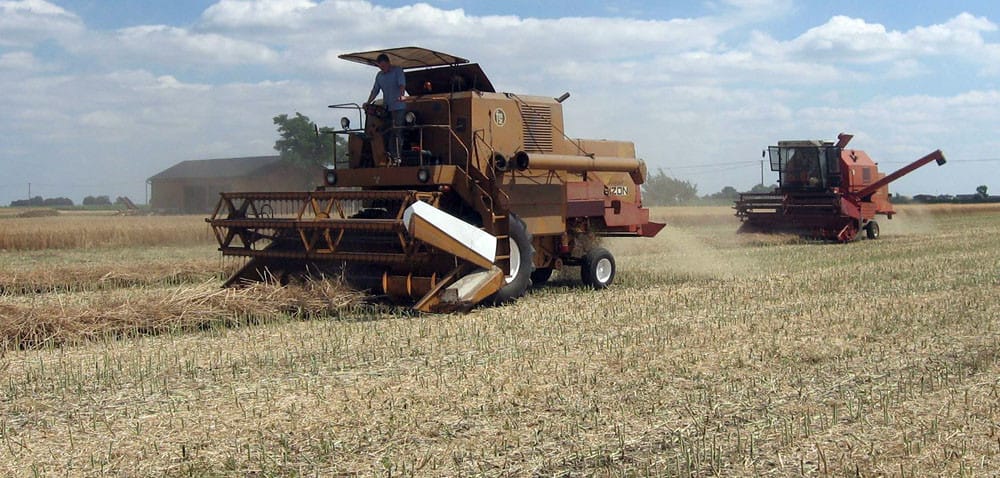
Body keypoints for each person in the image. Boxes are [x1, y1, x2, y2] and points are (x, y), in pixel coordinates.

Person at [365, 53, 406, 162]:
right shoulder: (379, 76)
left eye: (384, 66)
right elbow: (375, 90)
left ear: (388, 63)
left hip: (399, 107)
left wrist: (402, 96)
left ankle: (397, 156)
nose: (382, 68)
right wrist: (368, 102)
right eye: (380, 67)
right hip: (387, 108)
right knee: (384, 130)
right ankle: (383, 156)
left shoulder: (398, 71)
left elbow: (402, 85)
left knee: (397, 130)